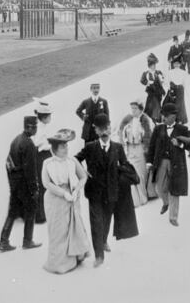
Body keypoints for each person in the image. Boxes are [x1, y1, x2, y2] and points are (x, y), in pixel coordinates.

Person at [75, 114, 139, 268]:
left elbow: (126, 165)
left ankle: (103, 240)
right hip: (95, 192)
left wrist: (119, 169)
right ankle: (98, 256)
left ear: (110, 128)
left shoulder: (117, 148)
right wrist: (84, 172)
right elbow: (75, 159)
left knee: (107, 218)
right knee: (96, 222)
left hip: (112, 191)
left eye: (106, 128)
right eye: (100, 129)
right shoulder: (90, 147)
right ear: (96, 131)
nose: (104, 131)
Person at [41, 129, 92, 274]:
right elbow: (46, 183)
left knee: (73, 227)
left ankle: (75, 257)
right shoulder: (47, 163)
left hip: (71, 198)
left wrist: (76, 190)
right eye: (62, 147)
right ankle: (59, 263)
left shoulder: (72, 161)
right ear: (55, 149)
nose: (66, 149)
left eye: (67, 146)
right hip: (54, 200)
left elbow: (83, 177)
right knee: (58, 231)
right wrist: (63, 193)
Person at [0, 116, 42, 252]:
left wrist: (12, 184)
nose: (36, 129)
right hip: (24, 185)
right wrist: (34, 189)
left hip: (15, 184)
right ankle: (27, 241)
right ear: (29, 127)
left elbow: (8, 163)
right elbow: (30, 170)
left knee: (12, 212)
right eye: (34, 127)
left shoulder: (15, 140)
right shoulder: (29, 144)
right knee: (31, 210)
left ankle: (3, 241)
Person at [146, 103, 190, 226]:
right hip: (161, 161)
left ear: (173, 116)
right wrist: (149, 162)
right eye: (163, 115)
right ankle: (165, 202)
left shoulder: (182, 129)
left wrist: (180, 144)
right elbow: (152, 146)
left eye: (166, 116)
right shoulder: (158, 128)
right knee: (159, 188)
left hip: (176, 162)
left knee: (174, 189)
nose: (163, 118)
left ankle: (173, 216)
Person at [118, 99, 156, 206]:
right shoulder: (128, 119)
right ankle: (135, 199)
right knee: (131, 172)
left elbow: (149, 136)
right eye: (132, 108)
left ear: (140, 109)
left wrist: (147, 150)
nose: (133, 110)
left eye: (135, 108)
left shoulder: (145, 120)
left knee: (141, 173)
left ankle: (143, 197)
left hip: (141, 148)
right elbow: (120, 131)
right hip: (130, 148)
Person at [31, 98, 54, 223]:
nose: (50, 118)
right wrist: (48, 145)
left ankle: (44, 212)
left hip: (45, 155)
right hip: (41, 156)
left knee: (46, 184)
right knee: (43, 184)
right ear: (44, 117)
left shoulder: (43, 126)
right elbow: (37, 143)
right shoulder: (39, 128)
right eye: (49, 116)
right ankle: (40, 215)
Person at [140, 53, 166, 122]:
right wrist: (148, 83)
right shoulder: (146, 73)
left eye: (154, 65)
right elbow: (142, 80)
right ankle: (153, 118)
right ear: (149, 66)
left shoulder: (158, 72)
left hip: (158, 92)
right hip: (151, 92)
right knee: (152, 105)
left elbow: (163, 80)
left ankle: (155, 118)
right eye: (152, 65)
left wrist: (162, 80)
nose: (154, 66)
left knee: (157, 104)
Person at [164, 58, 189, 124]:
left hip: (180, 90)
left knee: (180, 104)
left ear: (180, 64)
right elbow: (167, 81)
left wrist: (184, 90)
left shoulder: (183, 72)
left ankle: (180, 119)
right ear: (173, 64)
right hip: (173, 89)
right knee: (172, 104)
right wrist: (170, 88)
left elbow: (184, 82)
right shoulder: (170, 72)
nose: (176, 65)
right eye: (175, 63)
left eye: (178, 63)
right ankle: (172, 119)